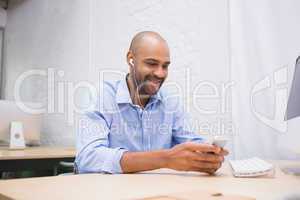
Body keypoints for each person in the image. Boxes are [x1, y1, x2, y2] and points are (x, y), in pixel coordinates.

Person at [75, 31, 228, 174]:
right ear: (131, 59)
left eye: (165, 66)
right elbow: (88, 158)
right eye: (151, 63)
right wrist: (165, 159)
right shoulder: (101, 96)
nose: (160, 73)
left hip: (159, 192)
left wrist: (206, 156)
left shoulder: (170, 101)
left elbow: (189, 141)